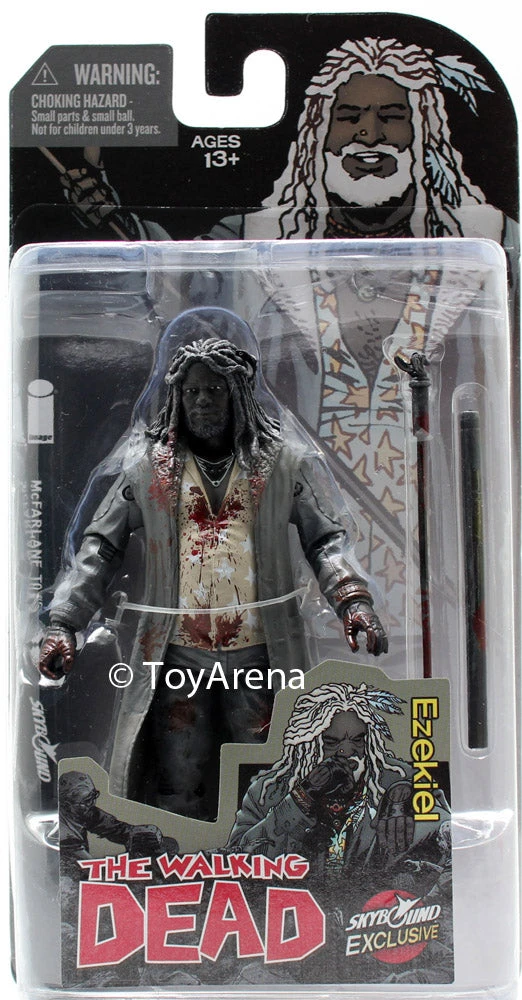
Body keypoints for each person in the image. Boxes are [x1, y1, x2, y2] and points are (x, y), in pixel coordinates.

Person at [39, 308, 387, 819]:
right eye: (192, 391)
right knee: (179, 771)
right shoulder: (147, 469)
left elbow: (327, 538)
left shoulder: (282, 463)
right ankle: (175, 851)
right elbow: (100, 548)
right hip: (179, 655)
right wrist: (64, 624)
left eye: (215, 390)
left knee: (269, 762)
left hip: (261, 653)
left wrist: (353, 601)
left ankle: (266, 851)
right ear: (176, 397)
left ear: (239, 394)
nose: (202, 400)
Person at [227, 681, 449, 875]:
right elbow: (235, 861)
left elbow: (447, 827)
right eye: (332, 743)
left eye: (358, 740)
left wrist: (409, 799)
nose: (347, 752)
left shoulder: (396, 778)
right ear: (307, 745)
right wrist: (300, 799)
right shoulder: (268, 792)